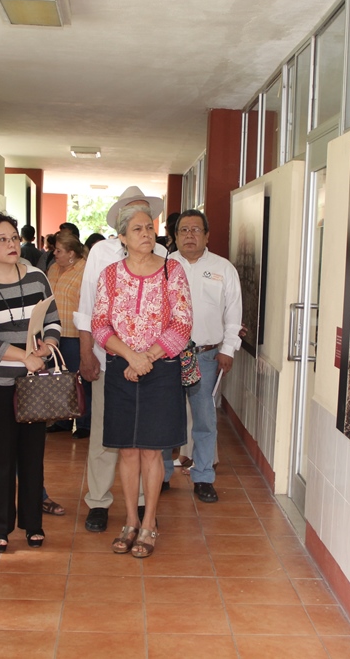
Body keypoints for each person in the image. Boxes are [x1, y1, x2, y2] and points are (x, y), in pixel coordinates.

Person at [91, 201, 192, 558]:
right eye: (137, 229)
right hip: (122, 369)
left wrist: (146, 357)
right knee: (127, 451)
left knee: (151, 451)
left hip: (160, 370)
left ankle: (150, 522)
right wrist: (130, 357)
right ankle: (130, 520)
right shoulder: (110, 275)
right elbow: (100, 324)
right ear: (121, 237)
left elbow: (182, 325)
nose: (147, 234)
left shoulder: (172, 271)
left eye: (150, 227)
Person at [75, 186, 169, 534]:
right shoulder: (101, 253)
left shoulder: (163, 256)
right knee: (105, 435)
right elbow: (88, 311)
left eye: (147, 216)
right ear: (121, 222)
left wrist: (146, 357)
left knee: (147, 439)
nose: (143, 225)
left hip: (154, 365)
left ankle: (145, 505)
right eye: (134, 217)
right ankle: (99, 501)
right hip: (109, 360)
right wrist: (87, 354)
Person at [0, 213, 61, 552]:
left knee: (32, 453)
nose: (12, 245)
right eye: (2, 240)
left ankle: (33, 523)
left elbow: (52, 320)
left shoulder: (37, 276)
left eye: (14, 237)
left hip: (33, 381)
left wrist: (47, 345)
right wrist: (22, 356)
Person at [166, 209, 242, 503]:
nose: (189, 235)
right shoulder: (164, 266)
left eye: (196, 230)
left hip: (207, 356)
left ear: (207, 235)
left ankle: (203, 477)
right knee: (166, 418)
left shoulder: (224, 269)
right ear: (175, 236)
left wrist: (228, 349)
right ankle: (160, 475)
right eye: (183, 230)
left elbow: (233, 312)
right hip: (168, 356)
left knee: (205, 419)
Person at [46, 230, 90, 438]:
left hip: (74, 334)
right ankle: (63, 420)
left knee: (78, 379)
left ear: (71, 253)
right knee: (59, 379)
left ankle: (84, 422)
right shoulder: (53, 269)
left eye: (58, 250)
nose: (54, 253)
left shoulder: (84, 270)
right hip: (53, 334)